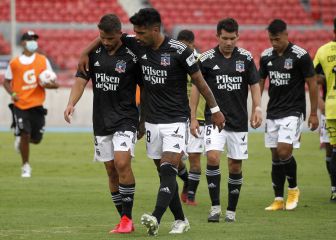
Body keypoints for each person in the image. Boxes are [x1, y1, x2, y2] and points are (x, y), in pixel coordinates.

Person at [78, 8, 225, 236]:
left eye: (141, 32)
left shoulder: (180, 51)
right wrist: (84, 52)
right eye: (135, 32)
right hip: (152, 123)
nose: (136, 36)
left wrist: (215, 109)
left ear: (155, 30)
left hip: (176, 120)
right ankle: (181, 220)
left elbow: (200, 82)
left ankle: (155, 217)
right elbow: (106, 36)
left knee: (168, 170)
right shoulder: (138, 43)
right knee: (164, 174)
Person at [64, 14, 143, 234]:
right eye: (102, 38)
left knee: (122, 163)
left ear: (120, 33)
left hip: (126, 118)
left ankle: (127, 219)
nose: (106, 42)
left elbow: (144, 87)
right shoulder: (93, 54)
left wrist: (143, 118)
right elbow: (80, 80)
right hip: (101, 120)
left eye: (110, 38)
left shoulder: (132, 53)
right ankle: (124, 219)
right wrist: (71, 103)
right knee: (110, 170)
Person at [190, 18, 262, 222]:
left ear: (238, 36)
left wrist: (257, 107)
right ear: (217, 36)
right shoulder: (206, 58)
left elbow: (254, 84)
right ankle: (214, 208)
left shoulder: (246, 58)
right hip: (214, 121)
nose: (229, 42)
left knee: (235, 166)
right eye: (224, 38)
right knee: (212, 158)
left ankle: (231, 211)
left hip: (238, 121)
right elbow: (196, 87)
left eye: (232, 38)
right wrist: (193, 116)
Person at [259, 19, 319, 211]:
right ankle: (278, 199)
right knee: (275, 156)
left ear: (286, 34)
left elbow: (312, 83)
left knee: (284, 151)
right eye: (271, 39)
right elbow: (260, 82)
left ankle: (293, 190)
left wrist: (313, 114)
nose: (274, 43)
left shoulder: (300, 55)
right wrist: (256, 108)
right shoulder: (266, 56)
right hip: (273, 111)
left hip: (293, 111)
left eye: (277, 39)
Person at [3, 30, 59, 178]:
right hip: (20, 104)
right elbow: (6, 82)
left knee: (36, 139)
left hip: (37, 104)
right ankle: (25, 166)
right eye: (29, 39)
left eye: (34, 39)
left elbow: (50, 81)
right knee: (25, 134)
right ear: (22, 42)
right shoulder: (14, 63)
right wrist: (13, 94)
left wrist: (52, 85)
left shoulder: (43, 60)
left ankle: (20, 141)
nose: (33, 41)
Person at [177, 29, 205, 205]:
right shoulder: (174, 60)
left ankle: (191, 196)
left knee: (194, 158)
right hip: (176, 115)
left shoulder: (201, 61)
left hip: (198, 117)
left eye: (186, 47)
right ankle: (187, 180)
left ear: (193, 45)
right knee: (176, 158)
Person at [313, 17, 336, 201]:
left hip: (330, 107)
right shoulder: (323, 51)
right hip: (329, 107)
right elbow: (313, 79)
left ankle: (334, 188)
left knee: (331, 149)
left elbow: (312, 79)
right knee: (330, 149)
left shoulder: (323, 51)